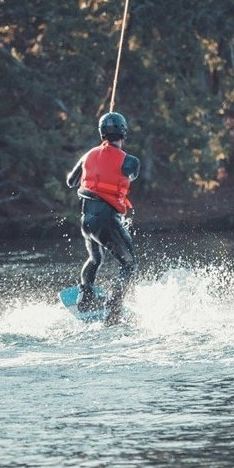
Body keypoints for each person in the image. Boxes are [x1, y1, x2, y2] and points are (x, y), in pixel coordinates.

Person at [66, 112, 140, 321]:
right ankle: (114, 306)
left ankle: (85, 296)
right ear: (124, 133)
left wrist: (99, 158)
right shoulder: (131, 161)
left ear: (101, 133)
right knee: (129, 264)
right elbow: (132, 175)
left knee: (95, 258)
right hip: (106, 220)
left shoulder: (88, 155)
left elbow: (71, 182)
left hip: (86, 220)